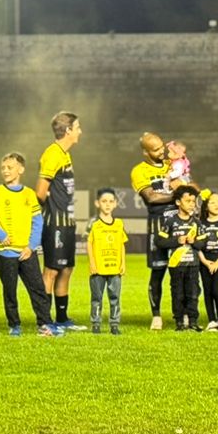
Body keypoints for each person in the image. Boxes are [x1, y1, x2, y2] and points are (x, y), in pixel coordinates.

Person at [0, 153, 58, 338]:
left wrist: (31, 246)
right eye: (3, 168)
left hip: (26, 252)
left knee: (38, 288)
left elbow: (37, 222)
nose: (6, 171)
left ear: (21, 169)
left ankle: (44, 324)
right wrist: (0, 234)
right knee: (10, 291)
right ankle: (14, 325)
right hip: (6, 252)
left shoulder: (29, 194)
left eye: (10, 167)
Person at [35, 112, 82, 329]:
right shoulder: (52, 154)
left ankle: (62, 319)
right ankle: (45, 321)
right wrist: (52, 212)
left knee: (66, 269)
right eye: (78, 127)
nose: (80, 131)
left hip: (67, 222)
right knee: (52, 270)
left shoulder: (64, 154)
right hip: (55, 223)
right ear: (68, 130)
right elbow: (40, 192)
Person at [130, 132, 176, 331]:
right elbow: (151, 197)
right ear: (145, 152)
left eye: (162, 147)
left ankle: (181, 314)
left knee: (181, 272)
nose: (162, 151)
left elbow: (190, 185)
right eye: (156, 149)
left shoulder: (173, 165)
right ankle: (156, 315)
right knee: (158, 271)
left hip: (178, 222)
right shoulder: (139, 171)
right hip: (157, 224)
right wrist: (177, 194)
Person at [156, 185, 204, 331]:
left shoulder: (196, 222)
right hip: (176, 264)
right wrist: (177, 241)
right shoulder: (170, 222)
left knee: (193, 293)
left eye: (193, 201)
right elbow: (159, 241)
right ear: (178, 202)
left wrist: (193, 242)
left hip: (193, 264)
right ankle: (179, 322)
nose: (191, 204)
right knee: (178, 294)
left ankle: (193, 321)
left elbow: (202, 243)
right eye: (188, 201)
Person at [85, 187, 128, 335]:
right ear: (97, 203)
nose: (107, 204)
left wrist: (123, 263)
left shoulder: (119, 224)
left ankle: (114, 324)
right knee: (96, 298)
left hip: (114, 268)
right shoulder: (94, 224)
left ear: (116, 204)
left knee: (115, 298)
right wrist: (92, 263)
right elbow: (89, 244)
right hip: (98, 269)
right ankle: (96, 324)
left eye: (111, 201)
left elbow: (122, 244)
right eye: (104, 201)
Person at [195, 193, 218, 331]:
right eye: (212, 202)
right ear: (206, 207)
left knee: (217, 290)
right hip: (204, 260)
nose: (217, 205)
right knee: (208, 290)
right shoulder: (200, 225)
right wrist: (205, 261)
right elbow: (197, 245)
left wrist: (217, 263)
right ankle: (211, 320)